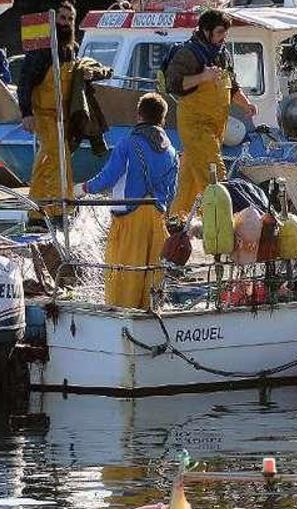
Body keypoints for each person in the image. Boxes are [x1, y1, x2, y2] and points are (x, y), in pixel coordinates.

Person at [73, 93, 178, 309]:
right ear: (163, 119)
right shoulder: (172, 152)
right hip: (157, 218)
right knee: (152, 276)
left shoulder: (128, 144)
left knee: (124, 277)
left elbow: (108, 177)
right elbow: (171, 192)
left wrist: (83, 188)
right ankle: (151, 314)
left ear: (138, 115)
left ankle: (121, 317)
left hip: (130, 219)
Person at [165, 9, 257, 219]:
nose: (223, 37)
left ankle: (174, 225)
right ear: (205, 31)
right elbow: (175, 85)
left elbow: (232, 87)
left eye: (225, 33)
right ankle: (223, 227)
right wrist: (203, 76)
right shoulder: (188, 53)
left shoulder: (223, 53)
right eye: (219, 32)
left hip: (216, 130)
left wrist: (246, 105)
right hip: (195, 127)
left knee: (187, 185)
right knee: (215, 175)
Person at [18, 1, 79, 224]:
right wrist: (26, 113)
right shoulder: (41, 51)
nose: (66, 23)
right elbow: (25, 82)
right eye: (62, 18)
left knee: (53, 161)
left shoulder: (73, 49)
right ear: (53, 20)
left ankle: (43, 211)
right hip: (43, 113)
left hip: (62, 117)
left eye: (70, 19)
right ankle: (53, 212)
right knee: (56, 158)